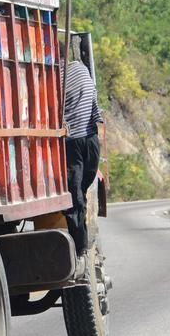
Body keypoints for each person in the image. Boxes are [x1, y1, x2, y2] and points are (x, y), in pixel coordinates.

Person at [63, 36, 102, 269]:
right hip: (90, 138)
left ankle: (80, 245)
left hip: (73, 141)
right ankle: (81, 245)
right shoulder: (82, 70)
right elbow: (95, 106)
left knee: (75, 194)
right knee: (80, 192)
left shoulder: (54, 78)